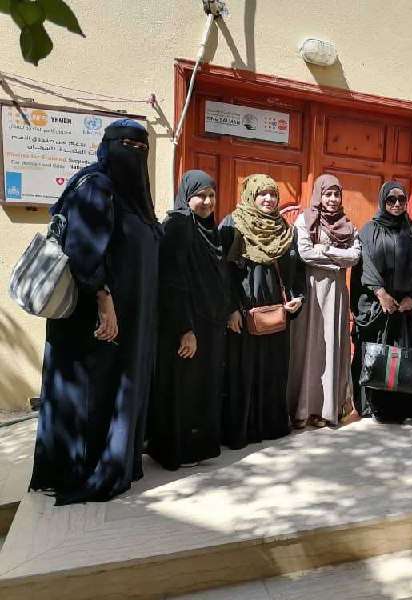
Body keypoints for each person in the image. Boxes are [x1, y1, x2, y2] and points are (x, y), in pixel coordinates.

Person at [29, 119, 161, 505]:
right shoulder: (96, 186)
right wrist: (105, 301)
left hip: (128, 318)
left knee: (113, 391)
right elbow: (83, 250)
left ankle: (115, 459)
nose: (134, 154)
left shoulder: (134, 198)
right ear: (107, 146)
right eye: (125, 145)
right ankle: (81, 470)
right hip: (95, 319)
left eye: (141, 148)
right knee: (91, 393)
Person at [148, 170, 228, 470]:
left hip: (209, 324)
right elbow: (173, 282)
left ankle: (196, 447)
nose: (207, 202)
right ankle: (176, 450)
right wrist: (185, 329)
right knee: (182, 387)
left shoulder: (209, 229)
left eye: (211, 195)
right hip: (186, 324)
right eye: (200, 196)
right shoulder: (179, 226)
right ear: (186, 196)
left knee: (201, 388)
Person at [220, 174, 305, 449]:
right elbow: (223, 272)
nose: (268, 199)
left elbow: (296, 271)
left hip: (276, 314)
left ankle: (270, 426)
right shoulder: (233, 224)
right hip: (244, 311)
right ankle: (241, 430)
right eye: (262, 194)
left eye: (273, 194)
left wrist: (297, 298)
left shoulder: (284, 230)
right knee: (244, 370)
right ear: (251, 196)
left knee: (273, 369)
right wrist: (230, 309)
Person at [351, 181, 412, 423]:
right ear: (382, 201)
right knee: (373, 356)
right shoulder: (369, 231)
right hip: (378, 308)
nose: (397, 204)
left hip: (408, 310)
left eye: (401, 199)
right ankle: (371, 406)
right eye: (391, 200)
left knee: (405, 358)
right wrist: (381, 293)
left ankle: (403, 410)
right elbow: (364, 265)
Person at [287, 174, 361, 429]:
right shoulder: (305, 220)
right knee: (308, 347)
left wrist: (326, 250)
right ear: (319, 194)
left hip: (336, 294)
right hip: (311, 293)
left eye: (336, 194)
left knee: (331, 347)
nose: (332, 199)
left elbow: (354, 257)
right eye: (327, 194)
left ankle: (325, 409)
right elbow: (306, 253)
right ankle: (302, 409)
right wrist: (337, 261)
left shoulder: (347, 225)